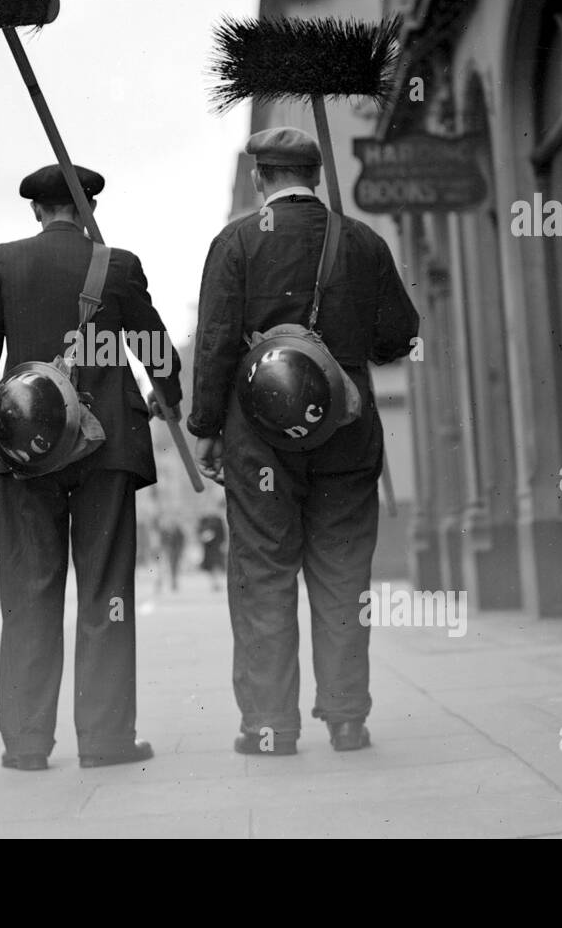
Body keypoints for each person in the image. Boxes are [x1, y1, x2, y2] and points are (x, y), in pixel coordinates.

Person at [188, 127, 419, 756]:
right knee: (343, 573)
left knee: (263, 573)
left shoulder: (235, 242)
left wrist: (206, 429)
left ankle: (269, 726)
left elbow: (212, 344)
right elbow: (398, 333)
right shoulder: (362, 241)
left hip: (258, 440)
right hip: (345, 433)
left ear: (261, 177)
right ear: (316, 176)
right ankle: (347, 719)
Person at [0, 162, 182, 770]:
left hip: (25, 450)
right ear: (89, 209)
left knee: (29, 593)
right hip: (106, 446)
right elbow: (155, 346)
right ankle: (106, 740)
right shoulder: (117, 265)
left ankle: (27, 744)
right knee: (105, 590)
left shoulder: (1, 262)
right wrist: (172, 399)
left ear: (37, 210)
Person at [159, 518, 185, 592]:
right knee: (164, 568)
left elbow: (182, 541)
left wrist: (181, 551)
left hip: (175, 552)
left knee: (174, 568)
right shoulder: (164, 531)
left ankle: (174, 583)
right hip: (167, 552)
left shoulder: (178, 531)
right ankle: (161, 584)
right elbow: (162, 541)